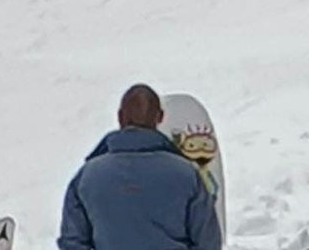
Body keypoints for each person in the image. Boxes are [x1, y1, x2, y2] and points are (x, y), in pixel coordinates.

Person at [59, 83, 221, 250]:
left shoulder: (87, 177)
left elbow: (72, 243)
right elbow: (208, 243)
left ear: (120, 117)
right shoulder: (187, 175)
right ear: (160, 117)